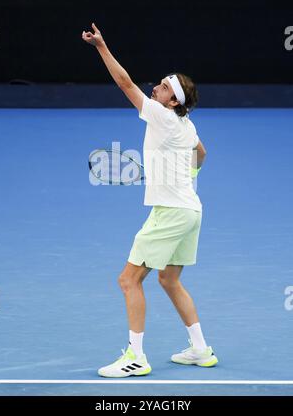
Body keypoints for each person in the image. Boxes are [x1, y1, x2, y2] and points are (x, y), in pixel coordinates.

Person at [82, 23, 218, 378]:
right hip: (191, 211)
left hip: (171, 214)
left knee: (129, 280)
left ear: (172, 101)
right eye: (160, 83)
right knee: (169, 280)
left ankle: (136, 357)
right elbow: (201, 152)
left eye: (163, 87)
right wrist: (186, 175)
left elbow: (125, 83)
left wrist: (101, 46)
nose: (155, 87)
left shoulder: (159, 114)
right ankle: (201, 349)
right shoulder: (185, 124)